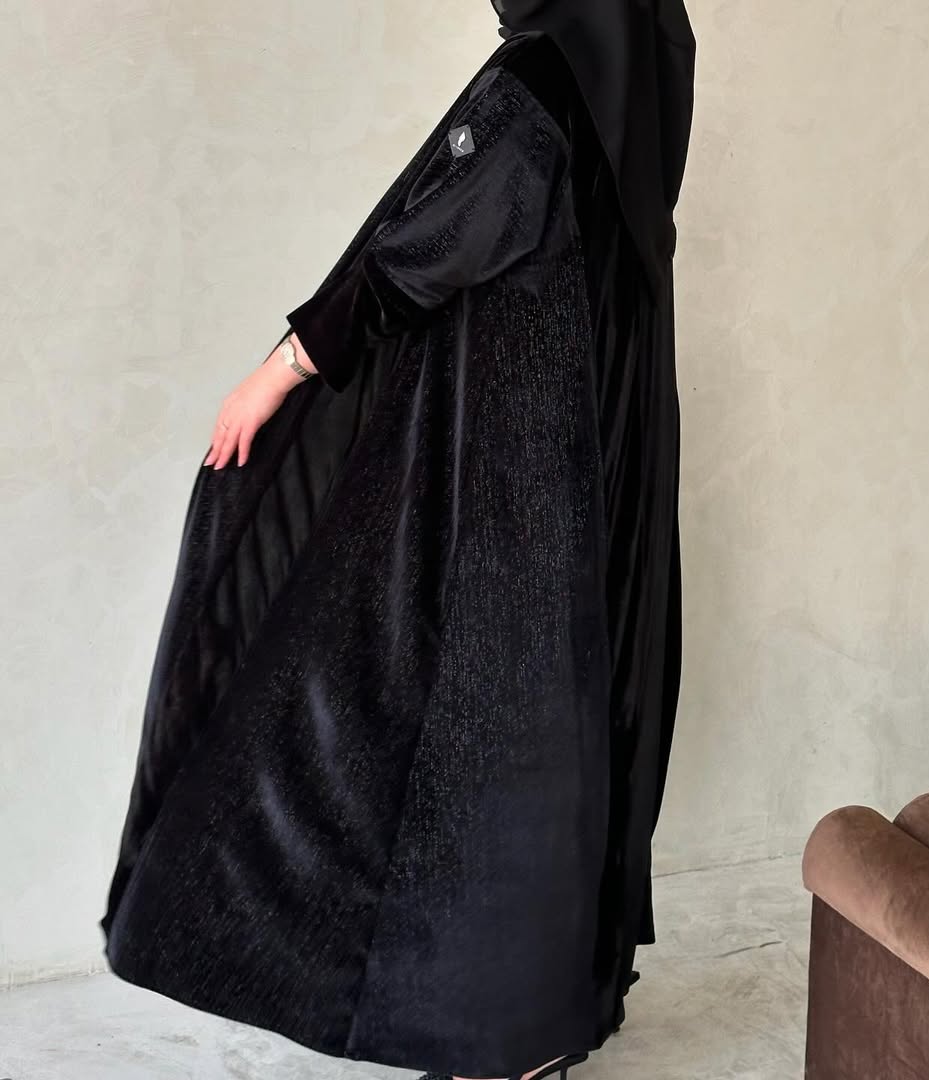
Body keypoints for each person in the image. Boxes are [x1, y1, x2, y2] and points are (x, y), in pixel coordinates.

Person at [98, 4, 696, 1080]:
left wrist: (284, 367)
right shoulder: (641, 94)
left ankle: (503, 1040)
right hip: (585, 480)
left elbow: (431, 245)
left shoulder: (539, 86)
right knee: (546, 742)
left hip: (509, 487)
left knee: (464, 741)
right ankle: (537, 1027)